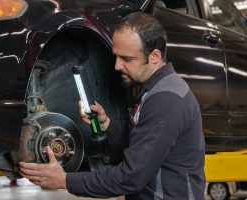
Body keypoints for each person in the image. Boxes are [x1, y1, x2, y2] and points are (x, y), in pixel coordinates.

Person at [19, 12, 206, 199]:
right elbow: (139, 153)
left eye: (127, 59)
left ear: (155, 56)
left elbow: (130, 178)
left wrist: (64, 180)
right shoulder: (156, 89)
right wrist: (107, 125)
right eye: (116, 56)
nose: (117, 66)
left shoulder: (166, 100)